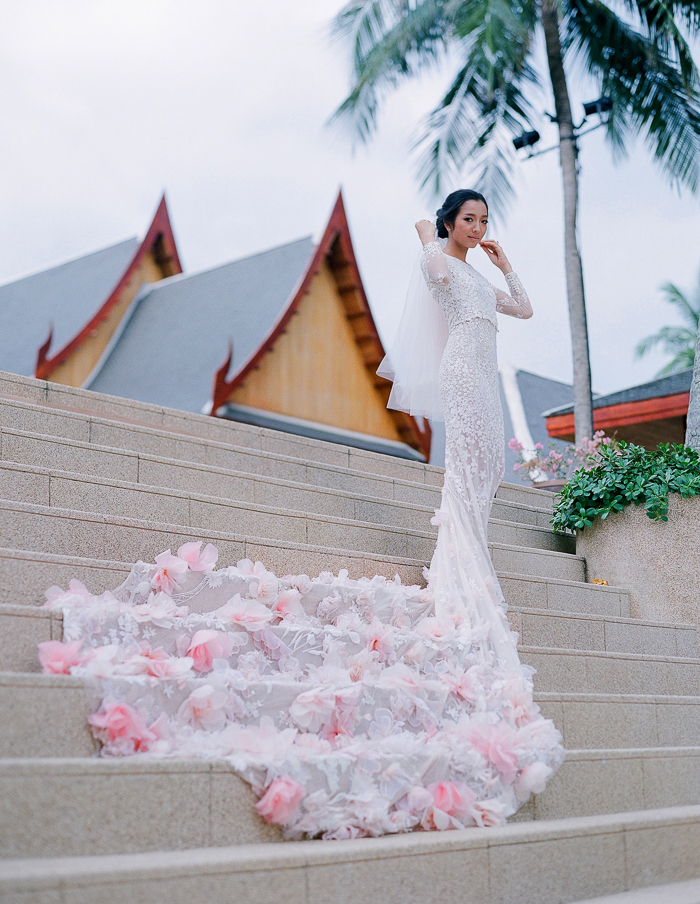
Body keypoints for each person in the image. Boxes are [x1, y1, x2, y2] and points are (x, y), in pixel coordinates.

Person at [39, 189, 563, 841]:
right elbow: (431, 272)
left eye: (484, 220)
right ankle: (462, 564)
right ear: (452, 221)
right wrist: (427, 233)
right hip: (462, 368)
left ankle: (468, 554)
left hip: (485, 368)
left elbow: (525, 307)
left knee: (490, 471)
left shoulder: (480, 276)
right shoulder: (443, 265)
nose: (478, 227)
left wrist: (503, 260)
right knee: (466, 467)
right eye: (469, 219)